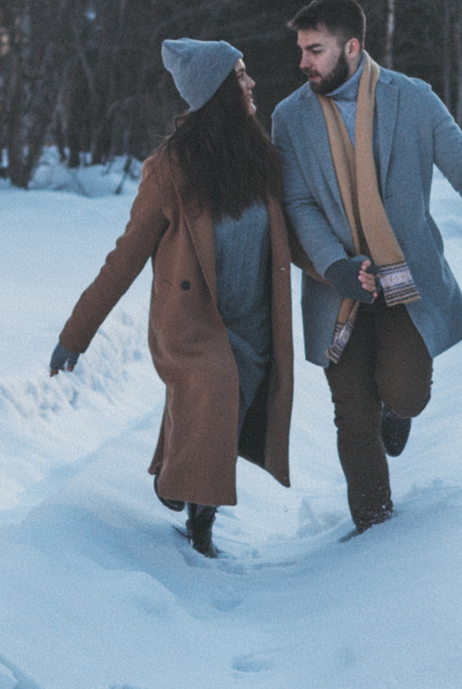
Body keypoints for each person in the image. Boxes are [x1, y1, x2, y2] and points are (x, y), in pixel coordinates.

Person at [269, 0, 462, 535]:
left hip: (406, 283)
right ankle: (375, 529)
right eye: (301, 49)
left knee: (405, 392)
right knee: (351, 411)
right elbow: (297, 203)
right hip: (339, 291)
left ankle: (397, 412)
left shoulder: (414, 100)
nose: (302, 62)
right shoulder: (290, 117)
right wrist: (335, 265)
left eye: (315, 50)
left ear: (352, 47)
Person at [51, 39, 296, 558]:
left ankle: (173, 477)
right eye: (240, 77)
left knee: (224, 413)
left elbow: (294, 238)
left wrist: (344, 271)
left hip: (252, 321)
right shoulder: (170, 170)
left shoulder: (261, 159)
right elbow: (126, 257)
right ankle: (200, 529)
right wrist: (76, 335)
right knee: (214, 391)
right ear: (217, 94)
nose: (251, 84)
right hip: (193, 322)